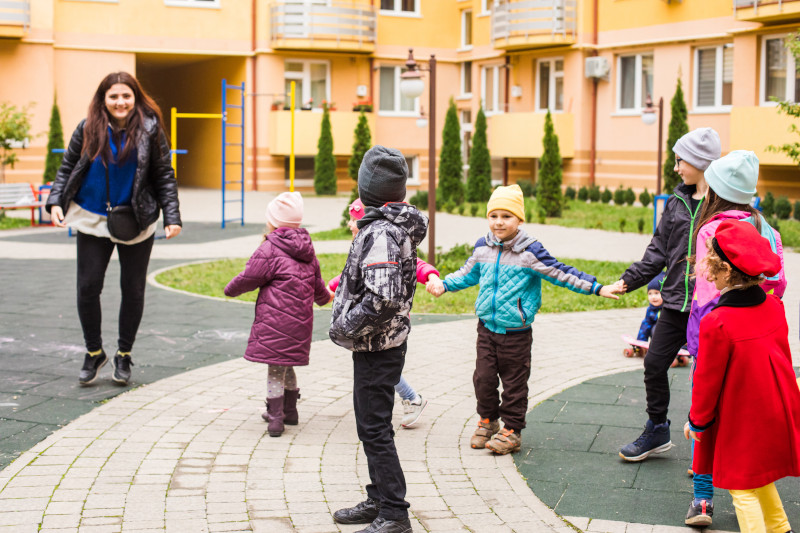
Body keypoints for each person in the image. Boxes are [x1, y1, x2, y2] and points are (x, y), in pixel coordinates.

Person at [426, 184, 622, 455]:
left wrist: (597, 287)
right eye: (493, 215)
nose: (499, 222)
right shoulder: (483, 247)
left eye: (506, 216)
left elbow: (560, 273)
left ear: (519, 219)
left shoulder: (530, 252)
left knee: (514, 384)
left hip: (516, 333)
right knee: (482, 379)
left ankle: (512, 430)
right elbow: (468, 274)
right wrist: (444, 285)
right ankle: (488, 421)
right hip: (486, 328)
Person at [46, 72, 182, 386]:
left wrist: (172, 216)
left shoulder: (150, 130)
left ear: (135, 98)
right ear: (103, 100)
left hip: (136, 219)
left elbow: (164, 175)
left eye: (126, 96)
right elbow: (67, 166)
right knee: (87, 287)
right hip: (91, 218)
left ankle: (124, 353)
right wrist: (55, 201)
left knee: (133, 290)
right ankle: (94, 351)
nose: (120, 102)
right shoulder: (87, 127)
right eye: (113, 96)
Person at [683, 150, 787, 527]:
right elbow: (779, 283)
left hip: (723, 340)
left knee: (710, 425)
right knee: (753, 447)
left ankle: (703, 499)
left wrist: (703, 338)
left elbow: (707, 294)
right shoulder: (767, 230)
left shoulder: (714, 230)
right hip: (760, 350)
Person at [330, 146, 427, 533]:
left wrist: (344, 327)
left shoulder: (381, 232)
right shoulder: (381, 225)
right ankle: (378, 497)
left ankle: (394, 512)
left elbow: (383, 298)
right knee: (373, 424)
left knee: (373, 429)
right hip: (377, 344)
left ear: (367, 188)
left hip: (378, 345)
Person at [617, 127, 721, 462]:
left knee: (708, 378)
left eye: (681, 161)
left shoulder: (724, 204)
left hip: (712, 307)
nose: (676, 168)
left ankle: (708, 449)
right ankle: (658, 429)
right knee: (653, 364)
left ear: (701, 162)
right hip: (676, 303)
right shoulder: (676, 203)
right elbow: (657, 251)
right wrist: (628, 281)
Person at [224, 192, 330, 437]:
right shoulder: (307, 250)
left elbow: (249, 277)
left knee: (275, 369)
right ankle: (290, 411)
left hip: (275, 325)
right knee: (286, 365)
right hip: (299, 326)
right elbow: (317, 285)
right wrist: (325, 298)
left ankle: (275, 419)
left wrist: (231, 290)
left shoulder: (269, 248)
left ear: (272, 221)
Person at [328, 198, 437, 429]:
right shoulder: (369, 242)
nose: (350, 225)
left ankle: (412, 398)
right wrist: (333, 287)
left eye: (354, 220)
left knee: (384, 371)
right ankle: (408, 399)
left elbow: (416, 266)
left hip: (387, 323)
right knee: (383, 372)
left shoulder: (384, 240)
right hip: (374, 324)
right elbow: (359, 278)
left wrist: (432, 276)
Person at [624, 272, 665, 358]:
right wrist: (640, 341)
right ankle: (644, 347)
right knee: (647, 325)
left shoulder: (668, 309)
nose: (653, 297)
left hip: (668, 336)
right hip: (656, 336)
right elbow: (645, 324)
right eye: (650, 293)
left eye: (657, 293)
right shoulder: (650, 309)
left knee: (656, 328)